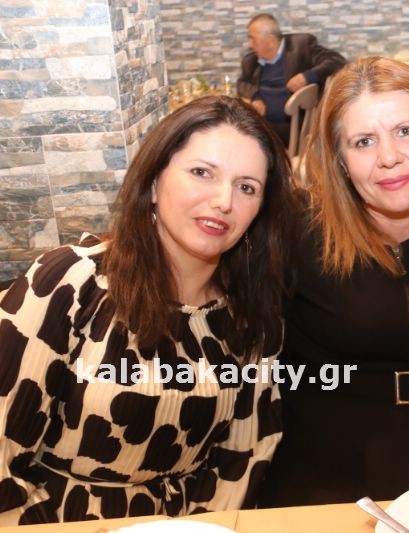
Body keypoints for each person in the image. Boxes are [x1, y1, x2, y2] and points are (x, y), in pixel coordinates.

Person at [0, 96, 293, 524]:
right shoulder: (70, 283)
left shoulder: (250, 316)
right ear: (154, 182)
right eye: (202, 173)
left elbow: (242, 455)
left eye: (246, 187)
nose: (223, 201)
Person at [258, 56, 409, 506]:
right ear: (340, 160)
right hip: (324, 471)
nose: (389, 158)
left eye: (406, 131)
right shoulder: (292, 230)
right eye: (364, 142)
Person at [237, 14, 346, 147]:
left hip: (293, 129)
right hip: (261, 127)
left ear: (270, 40)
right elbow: (241, 83)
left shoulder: (302, 46)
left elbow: (337, 61)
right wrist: (255, 96)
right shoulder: (250, 61)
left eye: (253, 39)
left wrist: (307, 77)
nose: (249, 45)